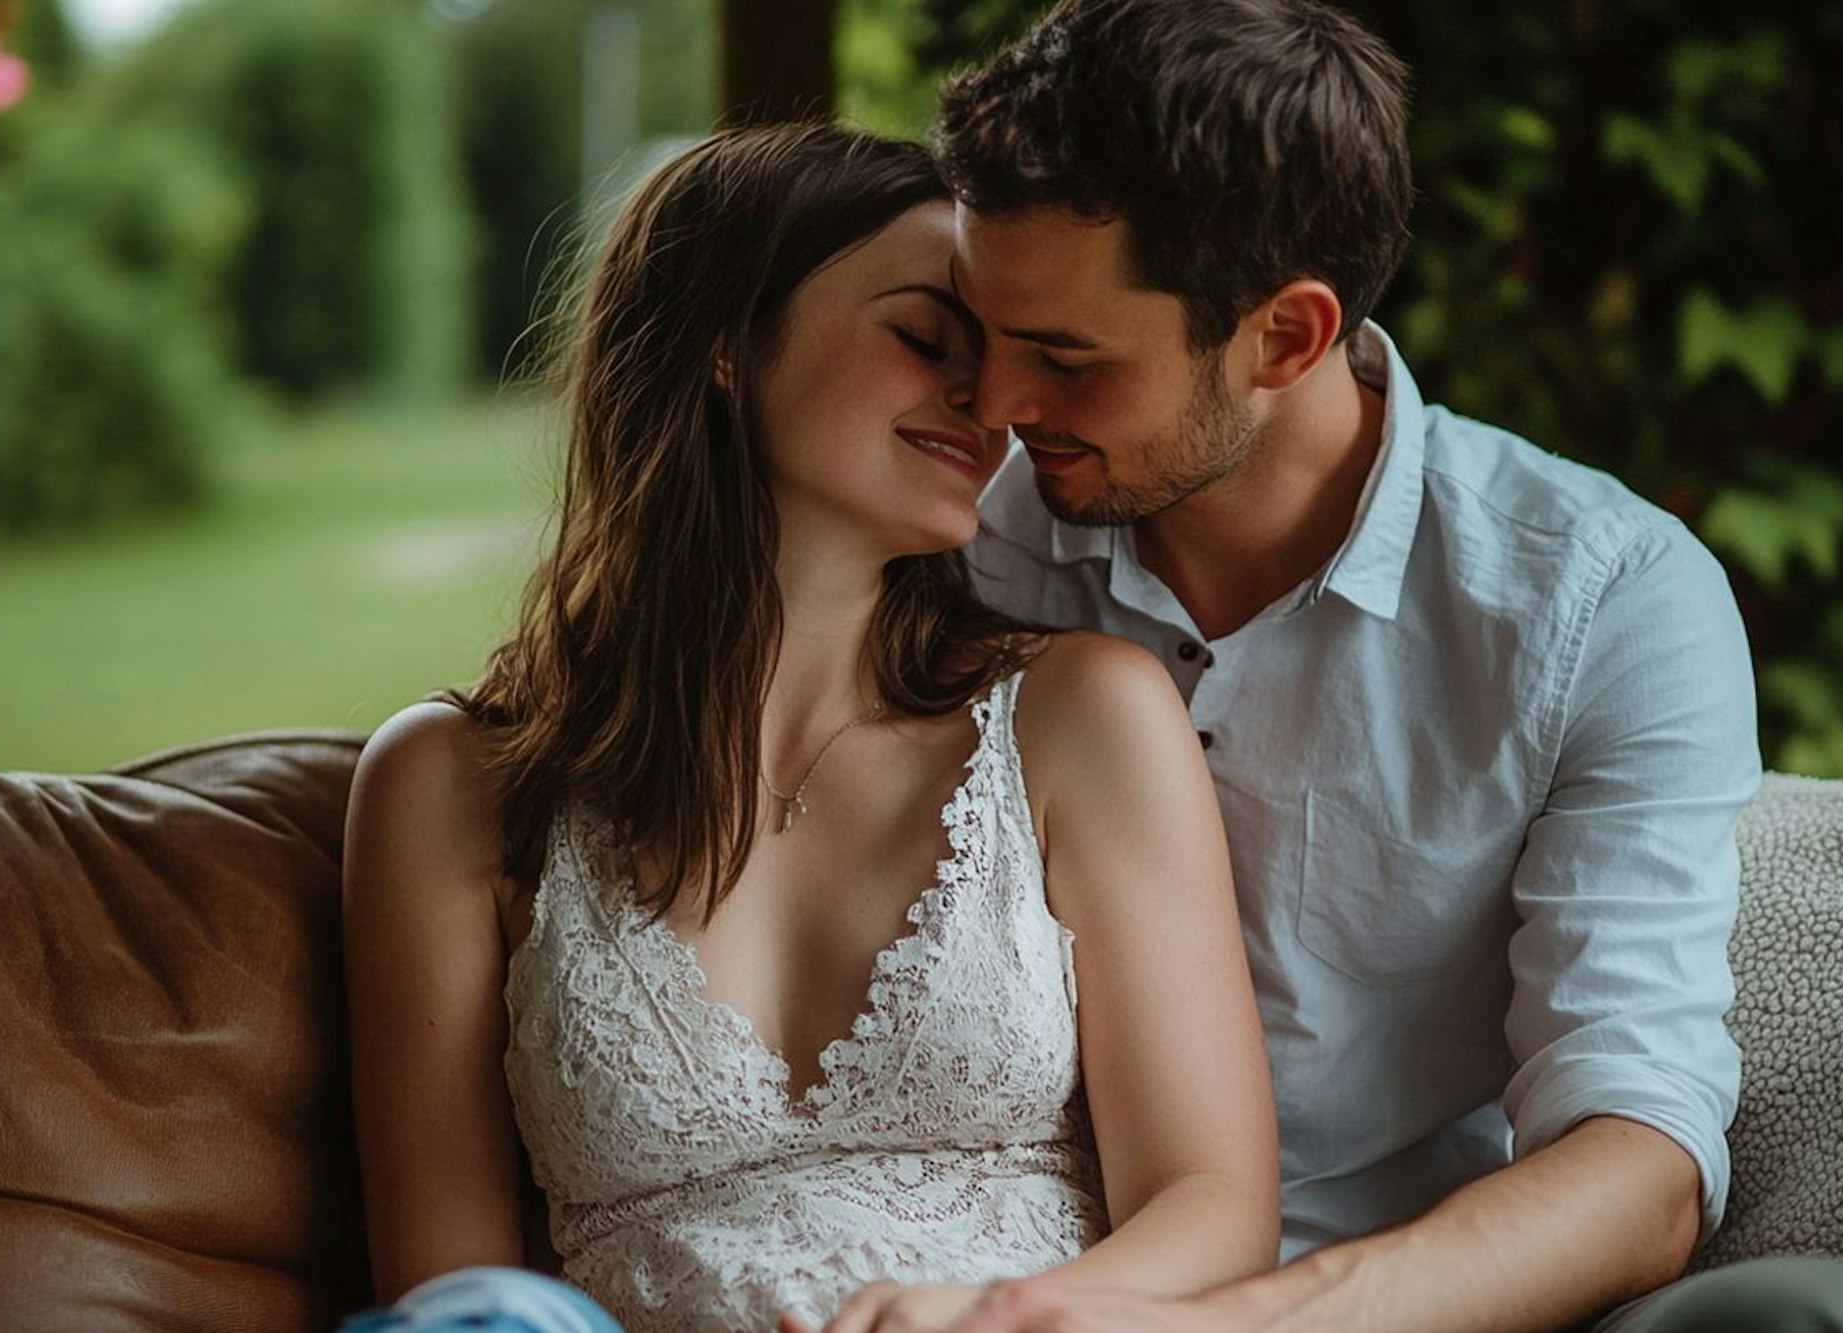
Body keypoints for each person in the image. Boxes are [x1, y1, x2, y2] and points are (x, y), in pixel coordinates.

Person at [924, 2, 1843, 1331]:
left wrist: (1236, 1326)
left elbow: (1635, 1151)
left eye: (1066, 360)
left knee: (1826, 1317)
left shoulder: (1603, 603)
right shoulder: (952, 543)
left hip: (1398, 1304)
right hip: (977, 1269)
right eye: (980, 330)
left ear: (1287, 337)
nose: (996, 406)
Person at [339, 121, 1280, 1333]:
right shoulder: (447, 784)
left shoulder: (1081, 716)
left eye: (996, 358)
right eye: (923, 338)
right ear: (726, 344)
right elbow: (447, 1295)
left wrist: (990, 1315)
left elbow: (1213, 1205)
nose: (988, 399)